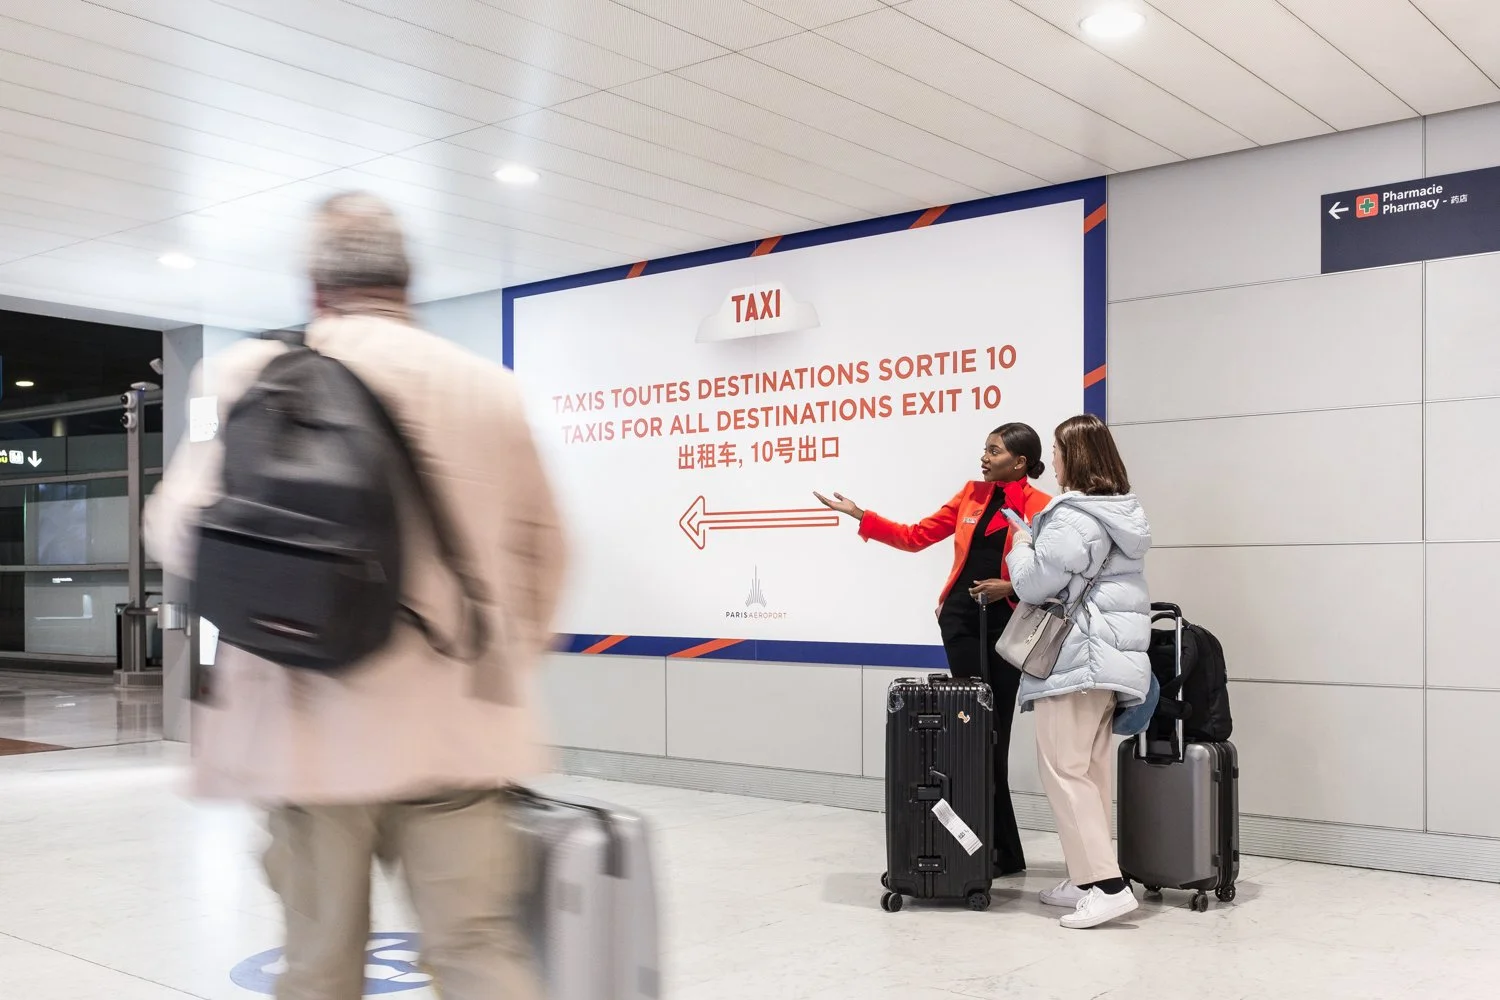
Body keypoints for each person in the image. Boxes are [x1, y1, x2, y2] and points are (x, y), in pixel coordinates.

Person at [144, 192, 565, 999]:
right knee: (478, 951)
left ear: (315, 288)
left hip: (304, 737)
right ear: (406, 283)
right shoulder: (485, 388)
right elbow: (547, 555)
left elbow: (177, 533)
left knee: (319, 961)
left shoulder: (247, 374)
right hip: (457, 730)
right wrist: (501, 659)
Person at [815, 423, 1051, 877]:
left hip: (1007, 624)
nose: (983, 457)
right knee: (970, 732)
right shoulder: (971, 495)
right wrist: (860, 514)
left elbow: (1047, 573)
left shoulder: (1042, 506)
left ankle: (1003, 850)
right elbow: (915, 535)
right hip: (962, 623)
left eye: (994, 451)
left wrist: (1009, 585)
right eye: (983, 448)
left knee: (994, 736)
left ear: (1019, 462)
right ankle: (992, 850)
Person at [1005, 413, 1151, 930]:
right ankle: (1087, 877)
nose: (1056, 461)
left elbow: (1032, 586)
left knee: (1064, 772)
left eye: (1058, 451)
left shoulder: (1073, 517)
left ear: (1076, 457)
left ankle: (1106, 887)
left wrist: (1021, 543)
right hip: (1109, 662)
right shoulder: (1118, 513)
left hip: (1077, 658)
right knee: (1088, 773)